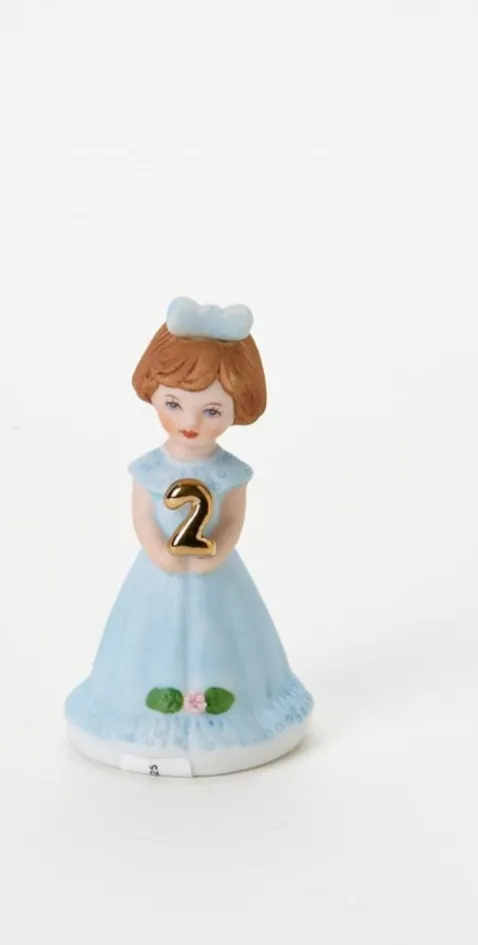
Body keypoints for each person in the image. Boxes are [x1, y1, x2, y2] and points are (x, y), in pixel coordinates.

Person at [65, 297, 313, 776]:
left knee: (220, 640)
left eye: (212, 410)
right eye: (174, 403)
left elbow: (232, 521)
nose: (191, 422)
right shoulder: (150, 469)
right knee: (146, 644)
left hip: (215, 575)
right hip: (156, 577)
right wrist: (159, 552)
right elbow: (143, 517)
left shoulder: (229, 473)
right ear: (153, 394)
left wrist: (216, 552)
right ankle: (143, 721)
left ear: (237, 409)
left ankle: (228, 722)